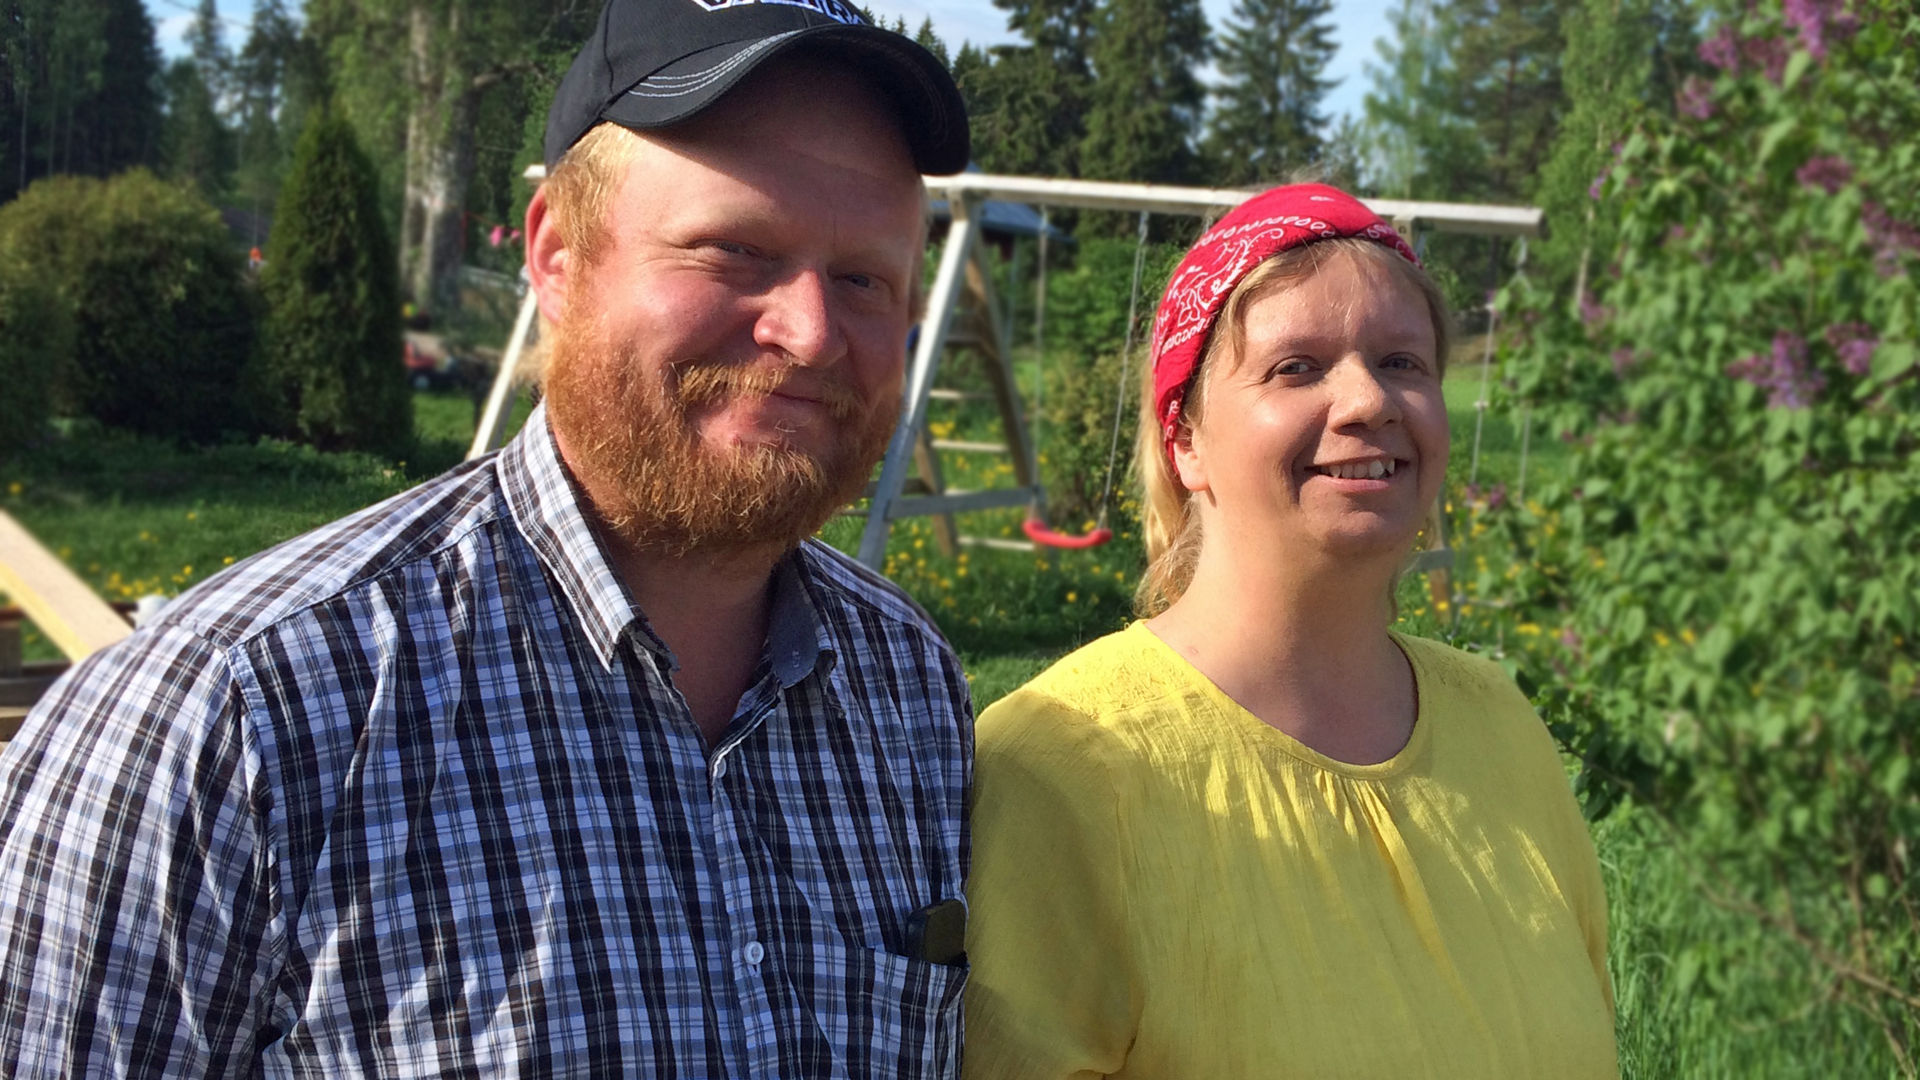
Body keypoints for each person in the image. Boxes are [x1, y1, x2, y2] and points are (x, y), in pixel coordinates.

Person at [0, 1, 974, 1075]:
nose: (812, 333)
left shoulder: (911, 691)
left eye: (863, 278)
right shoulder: (237, 714)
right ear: (557, 256)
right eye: (735, 250)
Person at [963, 184, 1620, 1078]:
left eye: (1402, 362)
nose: (1368, 400)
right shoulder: (1063, 770)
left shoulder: (1500, 723)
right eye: (1297, 367)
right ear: (1185, 441)